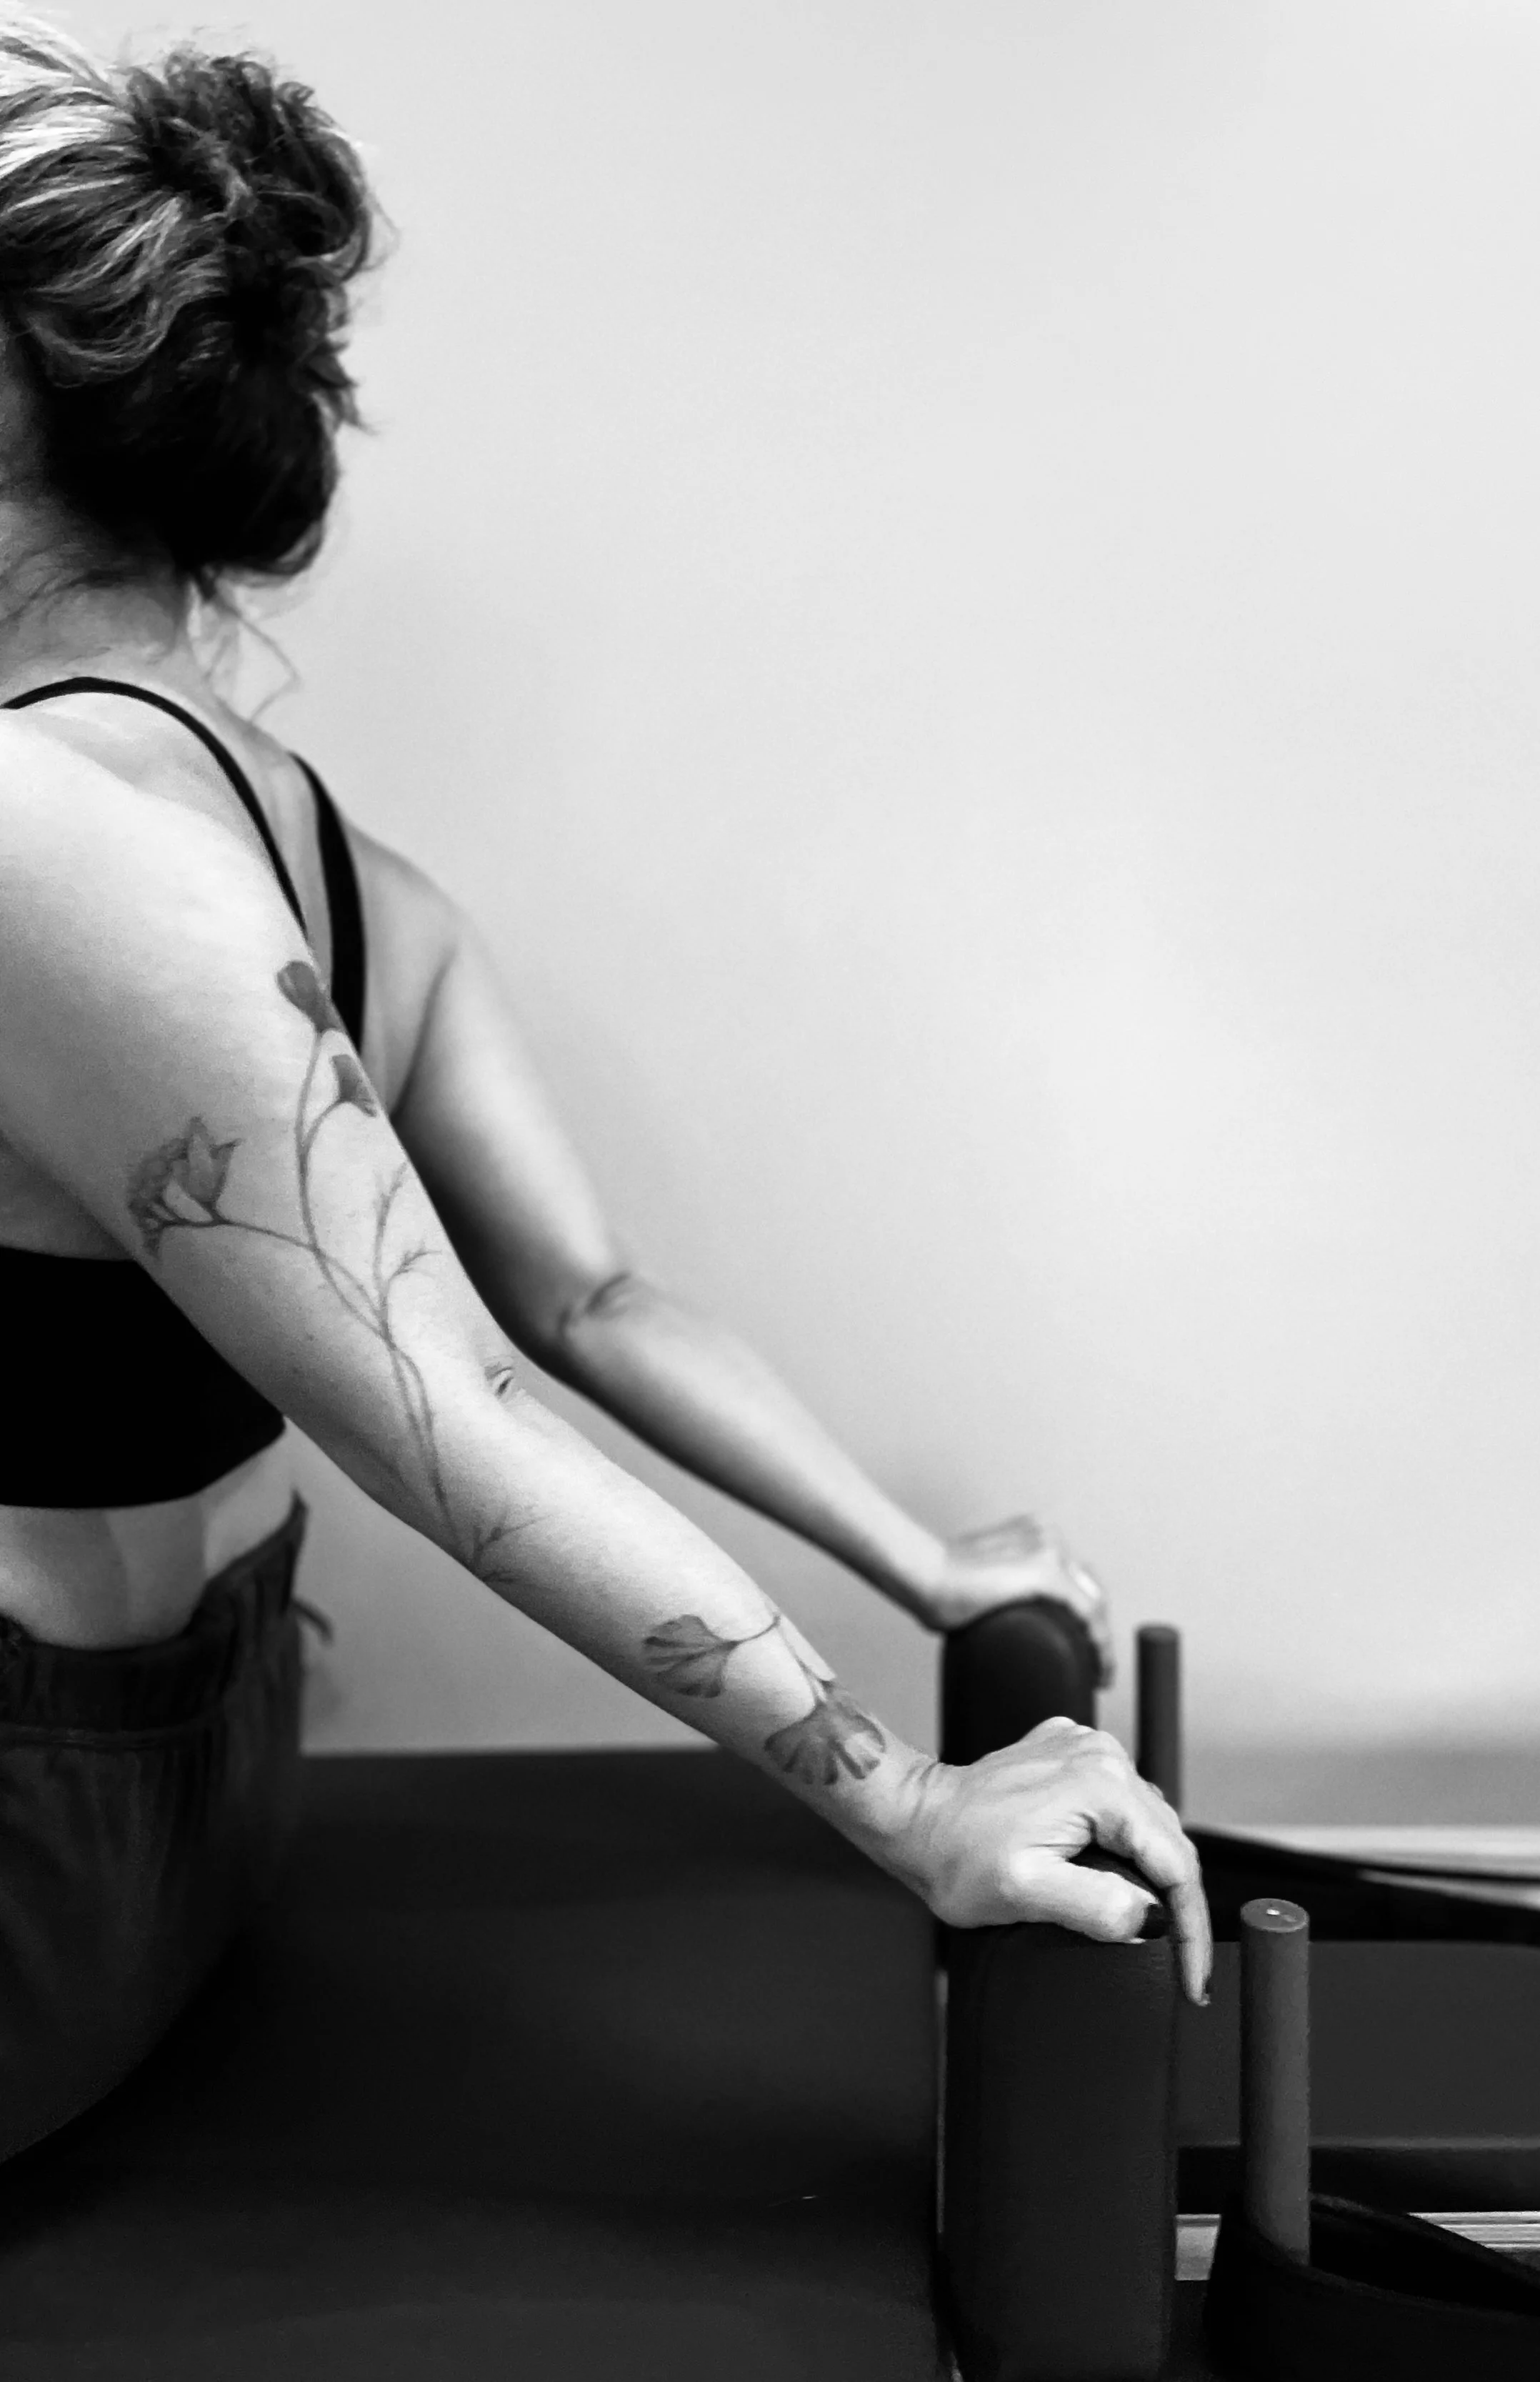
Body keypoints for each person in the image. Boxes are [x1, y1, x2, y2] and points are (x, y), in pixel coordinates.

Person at [0, 22, 1209, 2159]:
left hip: (40, 1868)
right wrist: (919, 1564)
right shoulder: (327, 858)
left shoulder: (45, 831)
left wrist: (920, 1805)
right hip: (187, 1794)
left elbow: (449, 1405)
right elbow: (594, 1300)